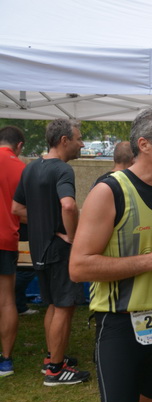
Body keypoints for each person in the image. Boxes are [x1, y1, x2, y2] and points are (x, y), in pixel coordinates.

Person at [69, 106, 152, 402]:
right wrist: (151, 260)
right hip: (120, 325)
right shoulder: (109, 191)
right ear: (144, 144)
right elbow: (79, 267)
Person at [12, 118, 89, 385]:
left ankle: (52, 358)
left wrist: (44, 222)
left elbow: (17, 209)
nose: (82, 143)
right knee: (65, 307)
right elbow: (68, 206)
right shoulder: (62, 170)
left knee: (54, 305)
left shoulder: (30, 168)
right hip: (59, 249)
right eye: (78, 138)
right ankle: (56, 370)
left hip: (39, 248)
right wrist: (73, 237)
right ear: (64, 140)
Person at [0, 125, 26, 377]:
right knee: (6, 300)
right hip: (5, 239)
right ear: (19, 146)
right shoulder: (21, 168)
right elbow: (26, 210)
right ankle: (5, 359)